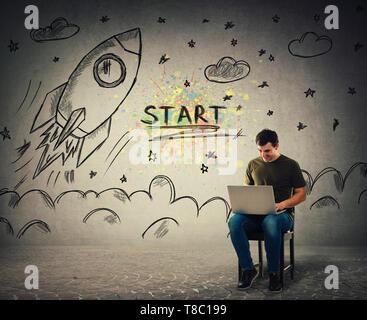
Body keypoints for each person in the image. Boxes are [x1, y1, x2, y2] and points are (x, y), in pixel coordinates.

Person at [228, 129, 306, 292]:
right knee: (234, 221)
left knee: (270, 222)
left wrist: (283, 204)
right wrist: (244, 205)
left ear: (276, 146)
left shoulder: (291, 165)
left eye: (267, 151)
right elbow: (247, 191)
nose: (264, 155)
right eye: (260, 151)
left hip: (282, 216)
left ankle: (274, 273)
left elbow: (302, 195)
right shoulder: (253, 164)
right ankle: (248, 269)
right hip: (256, 215)